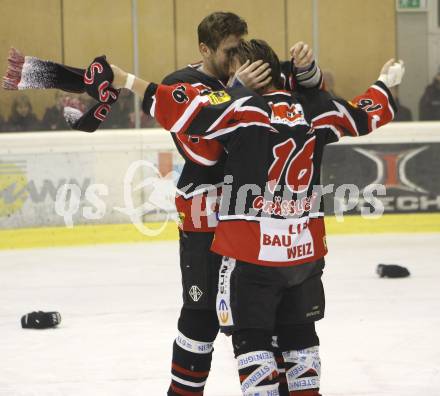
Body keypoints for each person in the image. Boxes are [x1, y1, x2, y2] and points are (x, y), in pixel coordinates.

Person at [110, 39, 403, 395]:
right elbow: (365, 115)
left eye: (235, 72)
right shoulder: (315, 108)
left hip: (252, 255)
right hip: (303, 255)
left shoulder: (244, 108)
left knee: (252, 342)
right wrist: (386, 84)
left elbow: (180, 112)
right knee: (300, 343)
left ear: (253, 73)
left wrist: (125, 79)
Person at [154, 11, 322, 396]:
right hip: (206, 223)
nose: (236, 59)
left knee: (267, 321)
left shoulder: (249, 70)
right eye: (229, 51)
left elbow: (306, 96)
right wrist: (237, 93)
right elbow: (207, 155)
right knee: (201, 318)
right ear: (205, 49)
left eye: (240, 49)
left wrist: (307, 69)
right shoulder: (184, 83)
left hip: (254, 224)